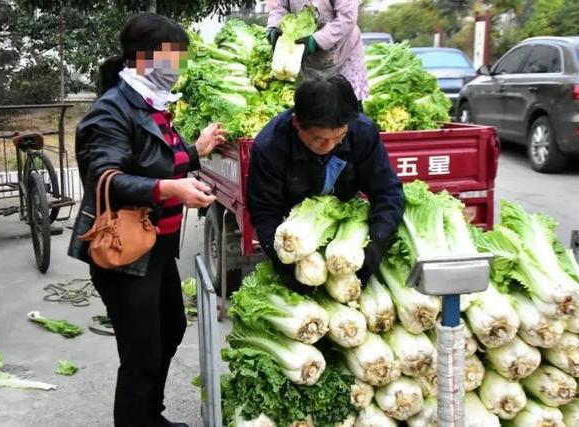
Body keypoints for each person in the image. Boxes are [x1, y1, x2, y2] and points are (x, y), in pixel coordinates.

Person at [68, 13, 226, 427]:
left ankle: (150, 417)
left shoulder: (150, 103)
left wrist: (196, 150)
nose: (179, 70)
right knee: (141, 355)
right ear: (143, 60)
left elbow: (156, 159)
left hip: (156, 248)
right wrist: (169, 190)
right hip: (125, 254)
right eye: (174, 60)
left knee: (170, 330)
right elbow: (106, 177)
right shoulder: (111, 111)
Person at [247, 73, 404, 292]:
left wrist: (377, 241)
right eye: (318, 139)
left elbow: (387, 191)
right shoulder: (270, 146)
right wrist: (282, 261)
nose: (329, 146)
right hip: (295, 235)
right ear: (297, 124)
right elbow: (264, 211)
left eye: (338, 137)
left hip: (344, 229)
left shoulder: (363, 133)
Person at [266, 0, 369, 101]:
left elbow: (347, 18)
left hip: (342, 55)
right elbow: (279, 7)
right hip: (307, 58)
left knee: (345, 107)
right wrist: (274, 28)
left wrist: (317, 41)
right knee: (313, 109)